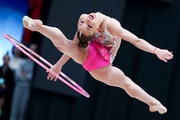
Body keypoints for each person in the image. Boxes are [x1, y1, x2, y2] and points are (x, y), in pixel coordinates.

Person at [22, 12, 173, 114]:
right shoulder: (93, 30)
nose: (86, 20)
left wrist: (156, 50)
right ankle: (38, 26)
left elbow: (136, 40)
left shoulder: (107, 24)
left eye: (86, 23)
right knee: (63, 44)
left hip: (103, 63)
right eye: (83, 23)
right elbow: (72, 45)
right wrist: (59, 64)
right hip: (93, 60)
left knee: (127, 84)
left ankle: (153, 102)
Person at [9, 43, 37, 120]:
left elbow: (32, 77)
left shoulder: (35, 65)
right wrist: (25, 76)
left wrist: (26, 75)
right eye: (31, 49)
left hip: (27, 89)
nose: (32, 51)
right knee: (14, 109)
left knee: (22, 111)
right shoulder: (23, 62)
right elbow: (17, 75)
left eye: (34, 50)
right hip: (18, 87)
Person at [0, 53, 14, 120]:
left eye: (7, 59)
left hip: (4, 92)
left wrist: (5, 86)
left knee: (0, 107)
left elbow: (11, 84)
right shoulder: (0, 69)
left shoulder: (10, 72)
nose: (6, 60)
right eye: (5, 59)